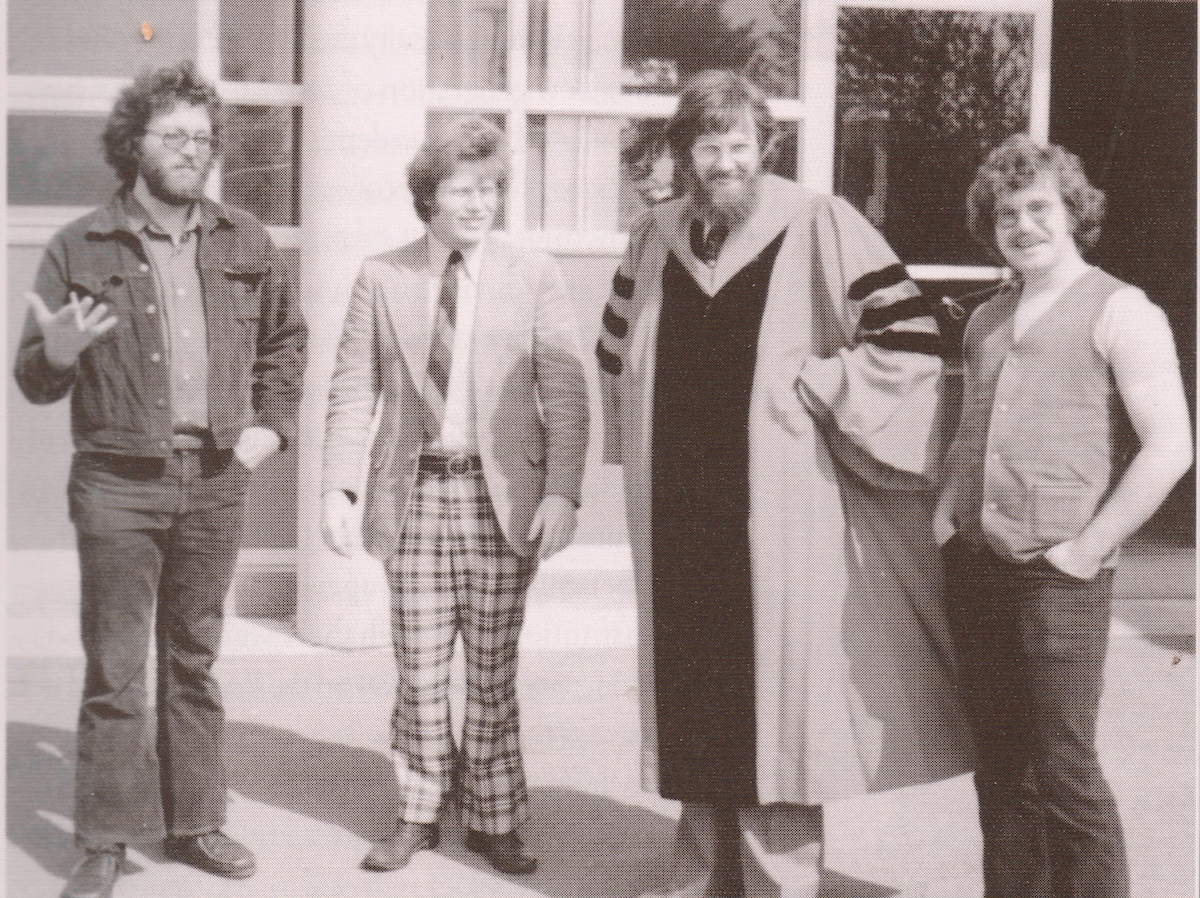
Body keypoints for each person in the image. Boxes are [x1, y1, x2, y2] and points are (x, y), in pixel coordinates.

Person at [597, 70, 971, 898]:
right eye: (707, 145)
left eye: (738, 144)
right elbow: (616, 351)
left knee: (781, 705)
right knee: (695, 696)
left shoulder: (817, 222)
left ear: (764, 146)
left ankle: (777, 885)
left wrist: (822, 383)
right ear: (685, 153)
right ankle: (697, 880)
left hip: (779, 516)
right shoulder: (653, 237)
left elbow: (907, 344)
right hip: (679, 519)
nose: (724, 161)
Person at [13, 60, 306, 898]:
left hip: (217, 475)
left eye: (202, 138)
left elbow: (288, 341)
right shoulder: (82, 244)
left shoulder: (245, 238)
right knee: (114, 668)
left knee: (193, 658)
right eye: (172, 135)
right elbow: (35, 376)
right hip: (116, 480)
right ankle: (104, 839)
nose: (190, 150)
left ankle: (195, 823)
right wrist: (57, 351)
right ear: (132, 142)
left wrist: (268, 429)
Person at [321, 117, 589, 877]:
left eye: (491, 188)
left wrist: (563, 492)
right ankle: (416, 809)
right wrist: (339, 487)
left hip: (501, 499)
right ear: (428, 196)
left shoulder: (533, 273)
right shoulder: (382, 274)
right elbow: (351, 389)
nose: (478, 203)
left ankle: (497, 817)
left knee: (492, 671)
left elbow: (565, 394)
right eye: (462, 189)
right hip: (412, 497)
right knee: (419, 667)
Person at [935, 135, 1192, 898]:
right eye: (1006, 213)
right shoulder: (986, 318)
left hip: (1060, 578)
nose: (1023, 225)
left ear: (1073, 211)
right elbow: (965, 427)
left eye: (1039, 206)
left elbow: (1171, 448)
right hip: (977, 567)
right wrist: (947, 517)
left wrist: (1087, 549)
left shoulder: (1122, 310)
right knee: (1001, 773)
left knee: (1066, 774)